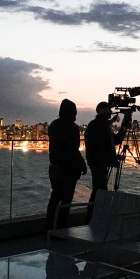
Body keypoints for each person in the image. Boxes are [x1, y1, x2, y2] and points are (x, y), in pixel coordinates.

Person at [84, 102, 131, 218]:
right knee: (100, 191)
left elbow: (115, 141)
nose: (110, 112)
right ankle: (94, 218)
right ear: (101, 111)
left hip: (98, 163)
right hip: (98, 164)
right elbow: (104, 145)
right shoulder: (99, 126)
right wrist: (113, 159)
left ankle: (92, 218)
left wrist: (123, 125)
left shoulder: (99, 125)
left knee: (99, 191)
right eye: (108, 110)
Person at [46, 98, 87, 231]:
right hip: (68, 169)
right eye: (74, 112)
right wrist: (82, 164)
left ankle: (49, 227)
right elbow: (73, 149)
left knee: (55, 198)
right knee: (66, 200)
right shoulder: (72, 128)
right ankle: (61, 228)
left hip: (54, 166)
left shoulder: (53, 125)